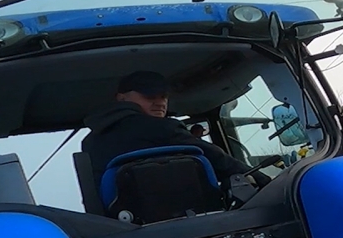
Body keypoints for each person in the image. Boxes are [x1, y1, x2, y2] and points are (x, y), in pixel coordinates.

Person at [82, 70, 266, 190]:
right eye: (149, 96)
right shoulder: (161, 127)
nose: (160, 102)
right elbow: (218, 160)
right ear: (121, 98)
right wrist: (262, 180)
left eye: (163, 96)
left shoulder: (90, 142)